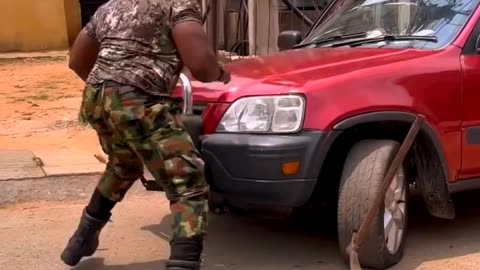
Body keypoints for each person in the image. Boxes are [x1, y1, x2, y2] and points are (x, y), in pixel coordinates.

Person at [60, 0, 230, 269]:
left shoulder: (111, 6)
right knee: (187, 180)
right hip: (139, 100)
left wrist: (111, 90)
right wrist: (220, 73)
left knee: (123, 165)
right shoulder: (177, 5)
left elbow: (77, 61)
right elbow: (200, 64)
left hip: (97, 98)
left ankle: (82, 239)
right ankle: (183, 263)